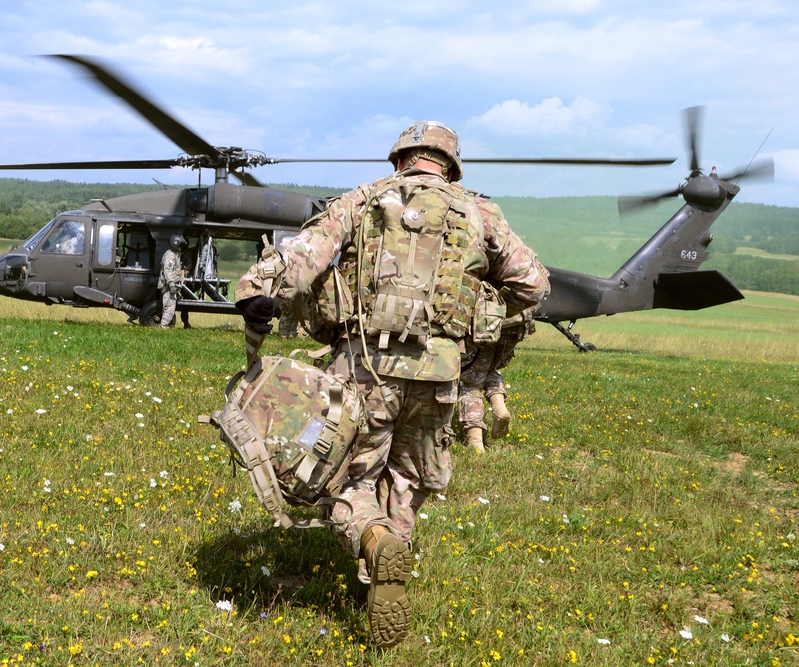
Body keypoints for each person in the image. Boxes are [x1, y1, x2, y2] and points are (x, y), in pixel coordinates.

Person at [234, 121, 549, 647]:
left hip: (363, 367)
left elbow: (305, 253)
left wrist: (256, 291)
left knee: (342, 479)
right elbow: (533, 283)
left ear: (399, 158)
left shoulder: (362, 200)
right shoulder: (479, 211)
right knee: (408, 479)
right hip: (440, 374)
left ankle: (374, 541)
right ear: (450, 165)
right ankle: (382, 568)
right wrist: (480, 309)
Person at [457, 305, 539, 452]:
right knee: (488, 369)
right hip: (515, 326)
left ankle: (475, 442)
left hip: (486, 325)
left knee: (471, 382)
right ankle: (499, 406)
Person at [158, 234, 186, 328]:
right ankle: (164, 327)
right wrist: (171, 284)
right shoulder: (170, 256)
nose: (181, 247)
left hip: (171, 285)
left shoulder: (174, 255)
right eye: (180, 245)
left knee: (170, 306)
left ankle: (165, 326)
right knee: (169, 307)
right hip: (168, 286)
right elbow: (168, 271)